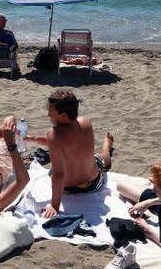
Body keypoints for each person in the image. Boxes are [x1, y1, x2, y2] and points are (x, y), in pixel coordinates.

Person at [26, 90, 114, 219]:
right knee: (101, 158)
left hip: (66, 188)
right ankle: (107, 145)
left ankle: (107, 145)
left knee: (53, 171)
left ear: (63, 116)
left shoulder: (54, 134)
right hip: (93, 184)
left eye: (51, 112)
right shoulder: (85, 122)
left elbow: (59, 173)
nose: (48, 114)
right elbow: (59, 143)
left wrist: (54, 205)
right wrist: (35, 139)